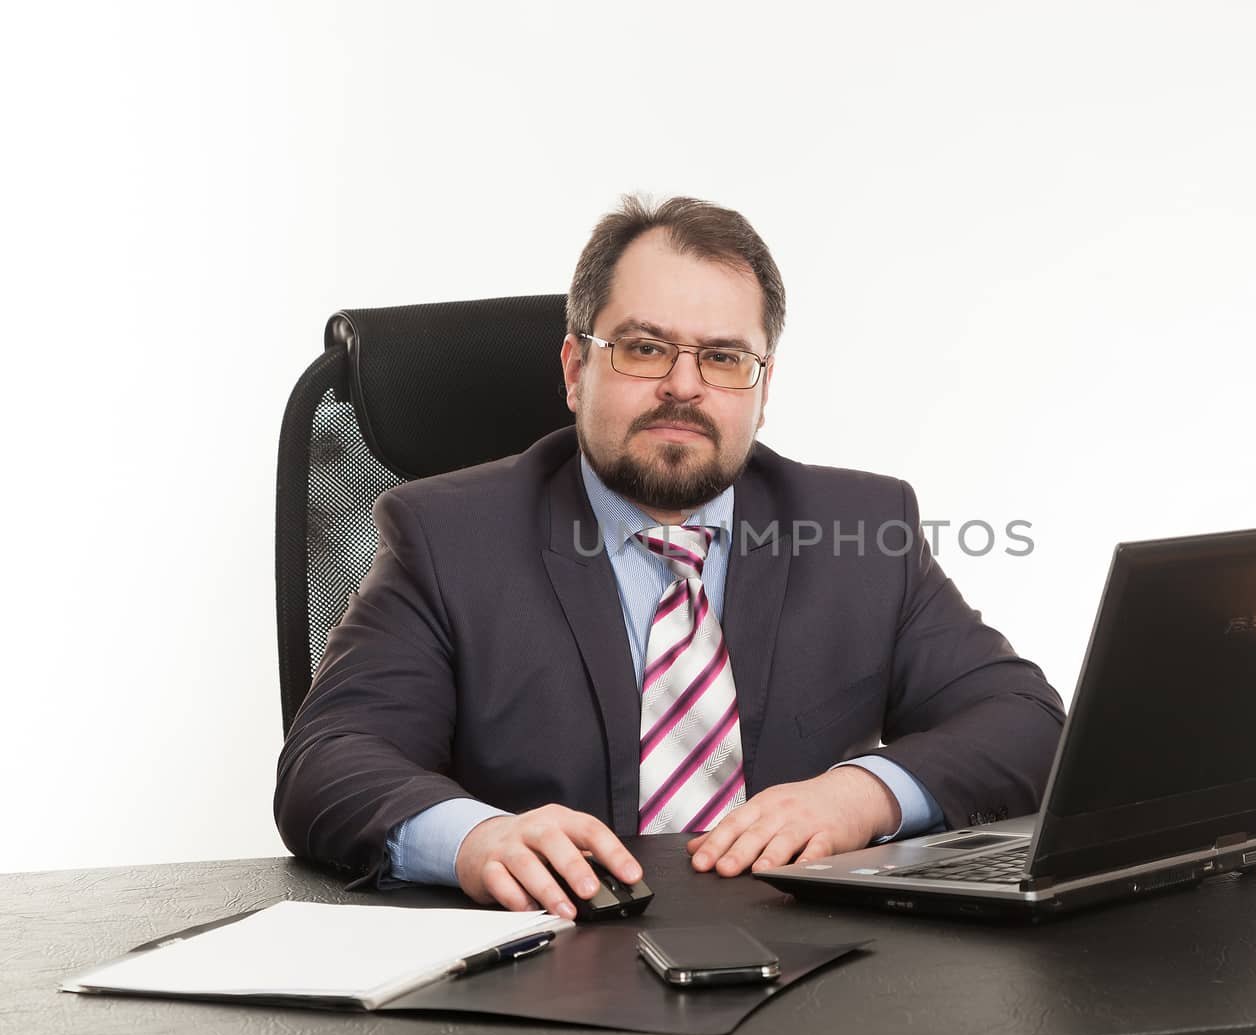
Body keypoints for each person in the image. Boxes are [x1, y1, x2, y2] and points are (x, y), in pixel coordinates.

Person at [274, 196, 1065, 920]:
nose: (684, 386)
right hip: (553, 969)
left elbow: (1025, 722)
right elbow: (328, 759)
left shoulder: (862, 528)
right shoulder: (447, 538)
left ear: (762, 386)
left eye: (724, 358)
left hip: (806, 972)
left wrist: (859, 796)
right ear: (576, 368)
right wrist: (474, 838)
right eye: (646, 348)